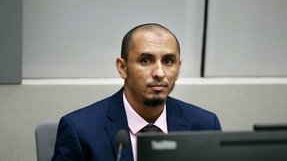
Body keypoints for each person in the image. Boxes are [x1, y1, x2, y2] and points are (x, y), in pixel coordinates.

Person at [52, 23, 221, 161]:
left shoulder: (205, 125)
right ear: (122, 67)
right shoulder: (80, 130)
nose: (159, 73)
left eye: (168, 61)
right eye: (146, 60)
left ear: (178, 68)